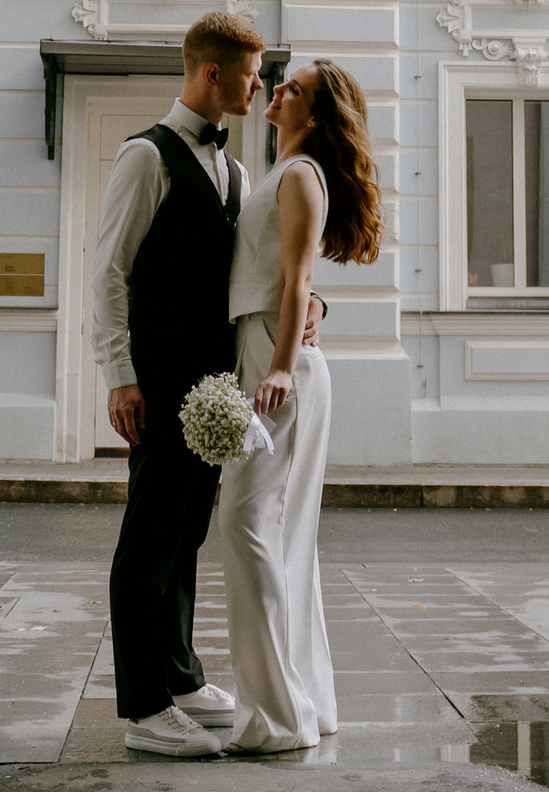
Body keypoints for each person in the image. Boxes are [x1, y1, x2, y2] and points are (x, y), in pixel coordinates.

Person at [90, 11, 322, 758]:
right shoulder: (144, 156)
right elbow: (110, 273)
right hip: (157, 383)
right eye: (253, 74)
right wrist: (120, 374)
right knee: (150, 536)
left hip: (215, 384)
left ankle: (182, 676)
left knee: (189, 528)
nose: (262, 86)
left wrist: (313, 302)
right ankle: (144, 705)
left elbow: (253, 267)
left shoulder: (237, 170)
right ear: (213, 73)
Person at [214, 59, 384, 754]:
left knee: (246, 520)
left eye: (293, 89)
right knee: (282, 536)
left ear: (312, 116)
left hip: (276, 362)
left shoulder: (301, 174)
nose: (276, 90)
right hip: (263, 347)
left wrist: (280, 364)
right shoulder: (279, 174)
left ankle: (278, 716)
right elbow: (290, 281)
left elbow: (297, 278)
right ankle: (303, 699)